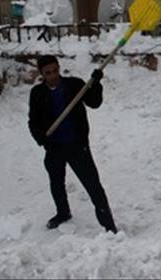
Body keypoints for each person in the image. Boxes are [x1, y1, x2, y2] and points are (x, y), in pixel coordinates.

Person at [28, 55, 117, 233]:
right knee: (56, 183)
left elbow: (94, 102)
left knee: (93, 185)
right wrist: (40, 137)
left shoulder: (74, 85)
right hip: (54, 147)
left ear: (59, 68)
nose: (53, 75)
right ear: (41, 74)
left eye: (55, 71)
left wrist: (96, 83)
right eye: (48, 73)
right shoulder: (37, 93)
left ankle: (108, 225)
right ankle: (63, 213)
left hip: (77, 146)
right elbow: (33, 121)